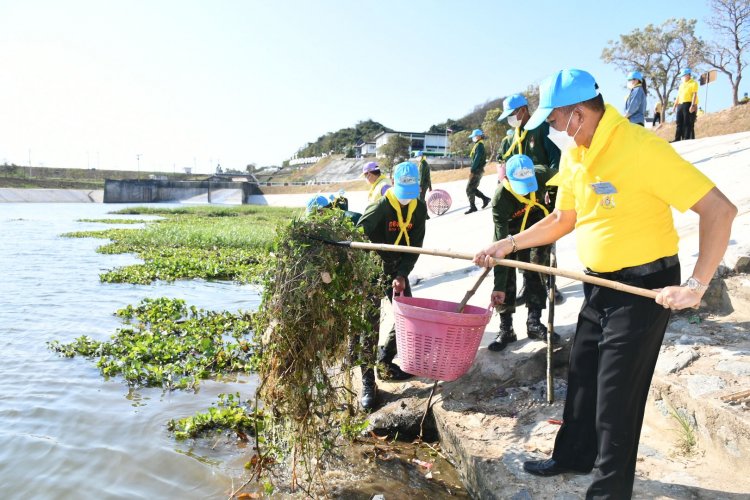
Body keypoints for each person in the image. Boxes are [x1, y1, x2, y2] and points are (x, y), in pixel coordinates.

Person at [473, 68, 736, 499]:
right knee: (583, 376)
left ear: (577, 113)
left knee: (617, 394)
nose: (553, 129)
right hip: (599, 283)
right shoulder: (577, 154)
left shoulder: (640, 148)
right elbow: (562, 219)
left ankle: (609, 492)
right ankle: (574, 456)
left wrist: (695, 285)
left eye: (555, 120)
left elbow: (719, 211)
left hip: (645, 286)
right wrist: (509, 243)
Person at [357, 161, 428, 408]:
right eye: (403, 193)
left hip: (397, 269)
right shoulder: (380, 207)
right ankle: (368, 381)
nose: (407, 199)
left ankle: (385, 362)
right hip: (373, 267)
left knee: (407, 316)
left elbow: (415, 245)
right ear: (394, 184)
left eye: (412, 194)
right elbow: (358, 236)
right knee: (368, 324)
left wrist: (402, 273)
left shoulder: (419, 209)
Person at [487, 154, 560, 352]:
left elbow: (567, 180)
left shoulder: (542, 174)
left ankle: (534, 323)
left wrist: (553, 205)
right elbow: (499, 247)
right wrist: (498, 286)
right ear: (507, 179)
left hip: (536, 225)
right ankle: (506, 328)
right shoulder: (500, 198)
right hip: (510, 232)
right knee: (506, 268)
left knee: (537, 266)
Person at [496, 92, 563, 306]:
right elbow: (505, 163)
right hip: (521, 198)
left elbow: (556, 163)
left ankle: (550, 285)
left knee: (543, 249)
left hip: (542, 193)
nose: (510, 118)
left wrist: (552, 196)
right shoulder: (513, 136)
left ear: (523, 110)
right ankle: (530, 287)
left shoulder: (542, 128)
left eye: (512, 114)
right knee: (524, 249)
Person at [465, 129, 491, 214]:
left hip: (477, 170)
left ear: (479, 136)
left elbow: (477, 158)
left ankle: (473, 207)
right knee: (472, 188)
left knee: (469, 189)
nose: (473, 138)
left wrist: (472, 169)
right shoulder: (478, 144)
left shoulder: (479, 146)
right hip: (478, 169)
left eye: (474, 136)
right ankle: (485, 199)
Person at [673, 68, 699, 141]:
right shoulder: (681, 85)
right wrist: (675, 105)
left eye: (683, 76)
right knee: (678, 122)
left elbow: (694, 95)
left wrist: (692, 105)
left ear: (687, 75)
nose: (682, 78)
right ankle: (677, 139)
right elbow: (678, 96)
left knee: (686, 122)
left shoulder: (694, 83)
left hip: (688, 103)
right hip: (680, 104)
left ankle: (686, 138)